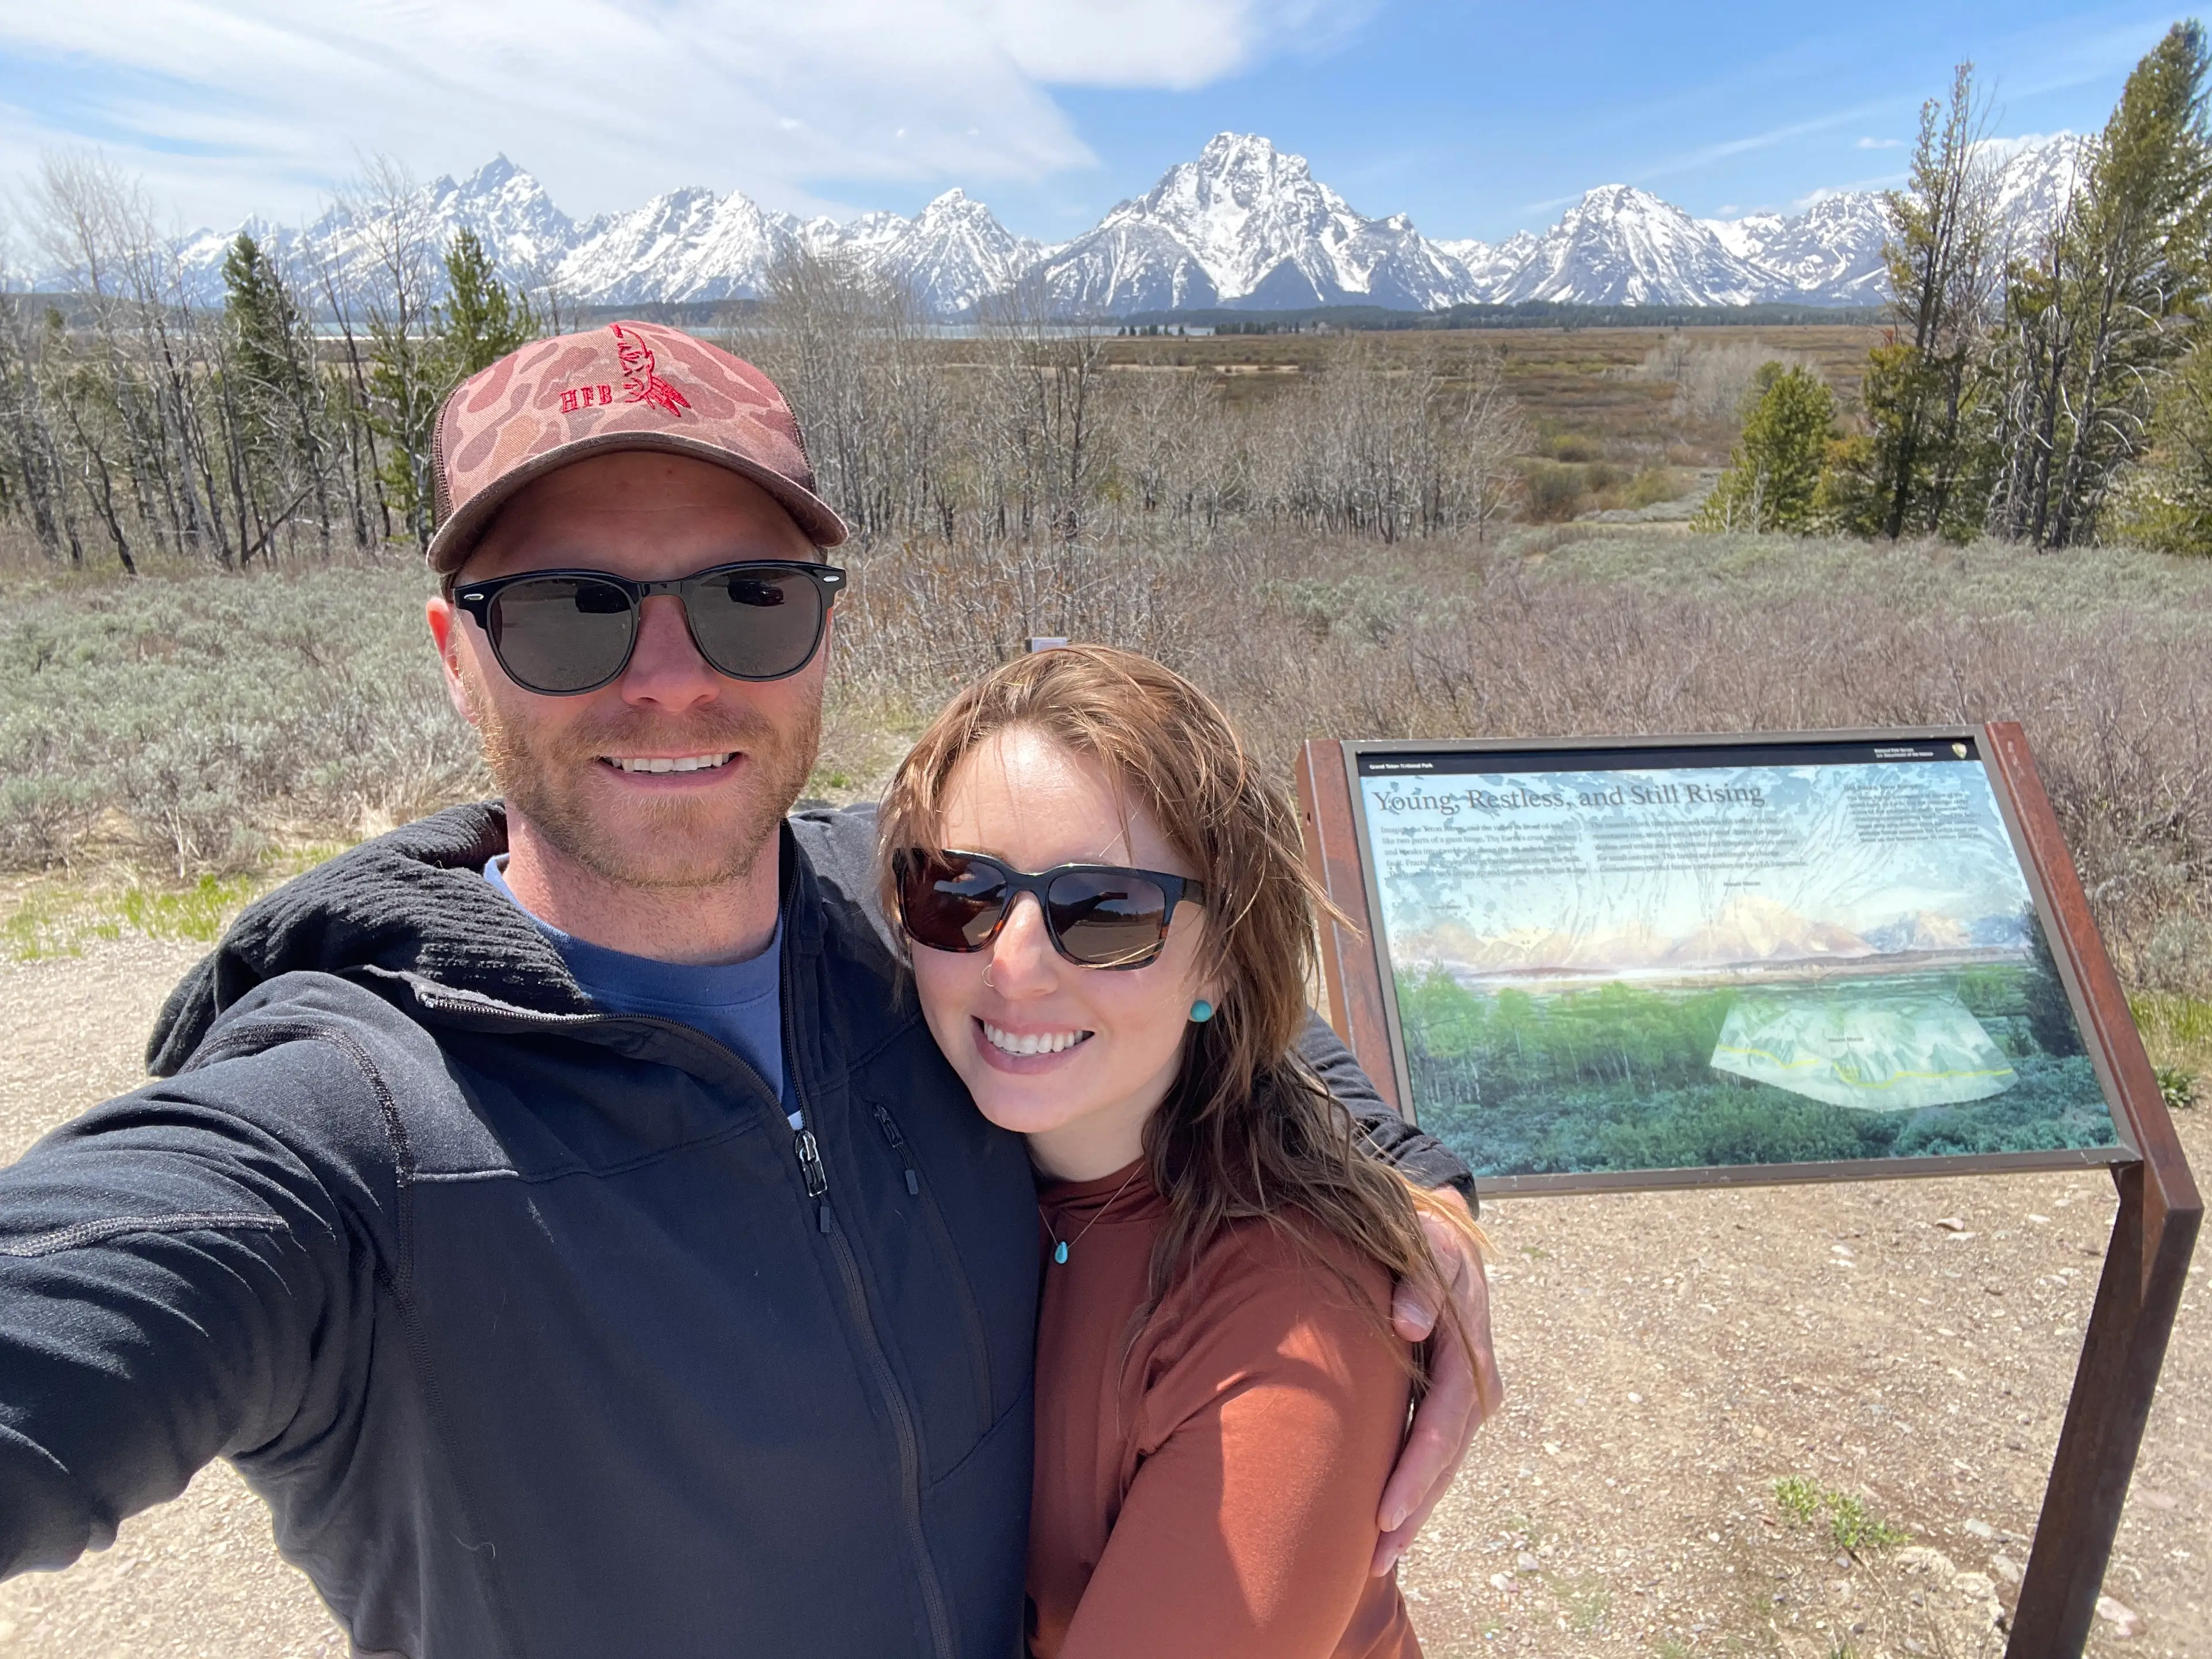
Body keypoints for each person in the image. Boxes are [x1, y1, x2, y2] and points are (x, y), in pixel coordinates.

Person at [0, 322, 1499, 1659]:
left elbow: (1198, 973)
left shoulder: (920, 903)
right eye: (573, 609)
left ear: (821, 635)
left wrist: (1408, 1190)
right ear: (461, 655)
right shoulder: (355, 1133)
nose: (670, 675)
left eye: (749, 595)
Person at [880, 645, 1490, 1658]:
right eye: (960, 893)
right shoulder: (941, 1141)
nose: (1015, 966)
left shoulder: (1290, 1316)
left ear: (1220, 955)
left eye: (1107, 912)